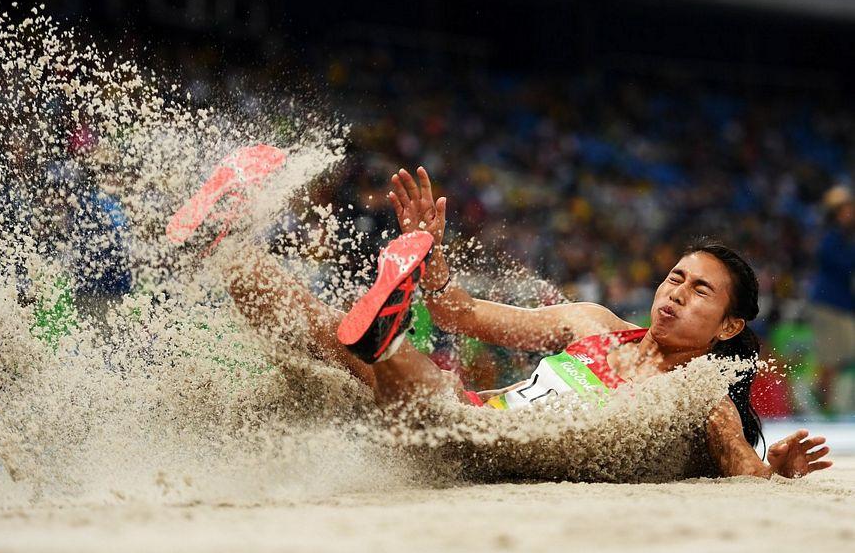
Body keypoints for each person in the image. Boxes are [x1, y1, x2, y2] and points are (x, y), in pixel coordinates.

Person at [171, 148, 832, 480]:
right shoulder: (592, 322)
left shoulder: (700, 394)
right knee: (318, 328)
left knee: (398, 379)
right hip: (470, 411)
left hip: (483, 451)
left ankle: (384, 329)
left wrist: (774, 472)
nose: (676, 294)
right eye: (675, 277)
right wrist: (434, 271)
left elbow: (742, 467)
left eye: (700, 292)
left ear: (728, 327)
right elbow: (459, 314)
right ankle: (223, 250)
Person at [809, 185, 855, 412]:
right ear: (837, 212)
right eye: (847, 209)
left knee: (841, 355)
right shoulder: (831, 237)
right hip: (829, 303)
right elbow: (844, 264)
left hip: (841, 304)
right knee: (831, 355)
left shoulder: (843, 237)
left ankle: (822, 394)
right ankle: (821, 396)